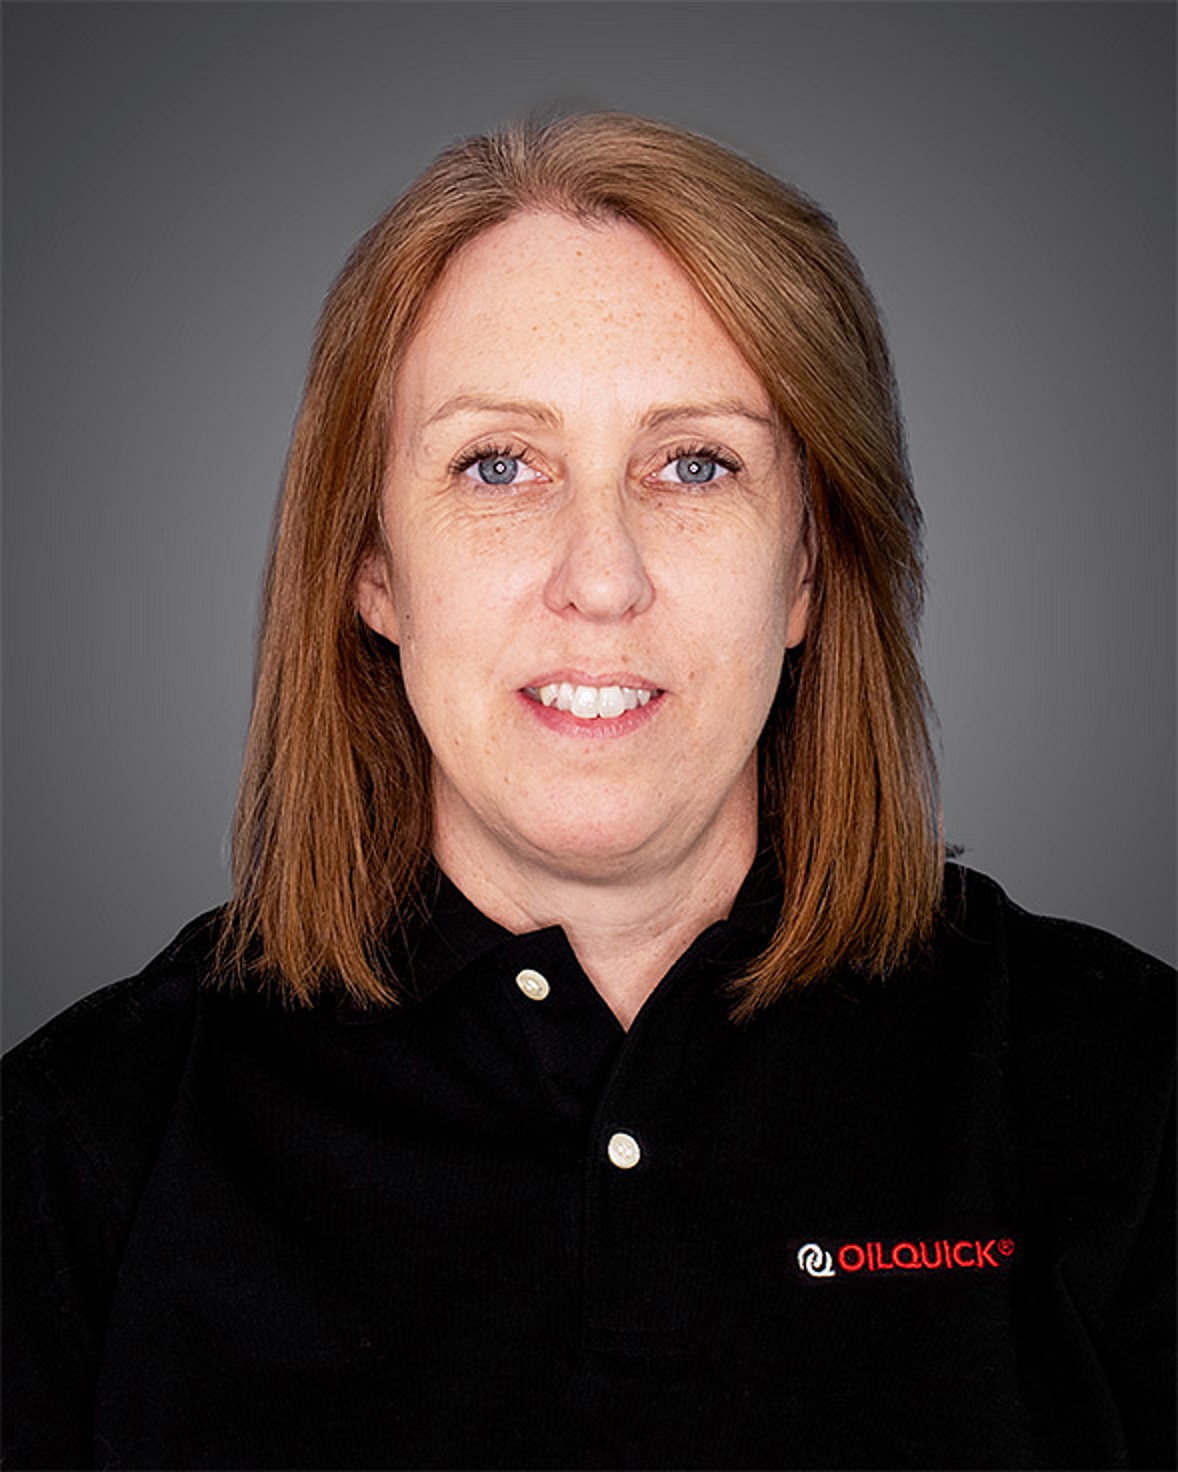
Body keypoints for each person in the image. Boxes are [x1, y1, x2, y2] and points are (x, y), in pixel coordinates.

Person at [3, 113, 1172, 1471]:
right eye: (499, 465)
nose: (602, 578)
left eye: (695, 464)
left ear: (806, 567)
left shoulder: (1123, 1090)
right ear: (372, 566)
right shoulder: (80, 1153)